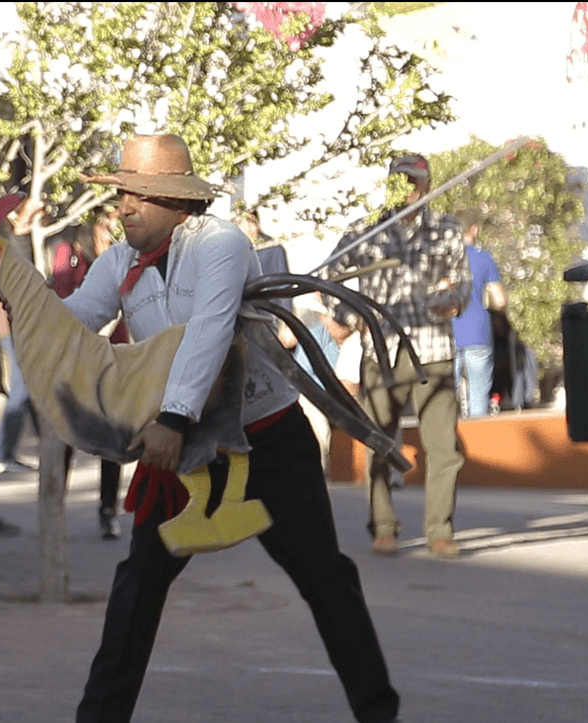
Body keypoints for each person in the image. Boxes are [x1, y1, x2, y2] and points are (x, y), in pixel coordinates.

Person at [61, 134, 400, 723]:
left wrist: (170, 417)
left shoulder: (221, 242)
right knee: (137, 586)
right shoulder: (118, 262)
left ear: (176, 201)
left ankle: (379, 713)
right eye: (121, 194)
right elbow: (76, 322)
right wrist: (12, 303)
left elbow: (210, 332)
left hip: (266, 440)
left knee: (325, 577)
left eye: (138, 195)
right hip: (184, 448)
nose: (124, 207)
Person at [325, 153, 471, 559]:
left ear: (427, 184)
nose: (408, 189)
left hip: (434, 352)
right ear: (390, 183)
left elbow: (463, 283)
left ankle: (440, 530)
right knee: (380, 443)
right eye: (400, 180)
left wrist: (454, 300)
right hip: (382, 352)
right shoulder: (366, 231)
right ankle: (383, 526)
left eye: (415, 181)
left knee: (444, 449)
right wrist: (350, 316)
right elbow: (329, 278)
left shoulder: (446, 230)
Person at [50, 214, 129, 539]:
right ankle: (54, 506)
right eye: (105, 225)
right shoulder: (68, 254)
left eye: (116, 226)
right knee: (66, 435)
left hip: (112, 356)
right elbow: (64, 298)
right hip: (76, 358)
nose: (111, 233)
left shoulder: (124, 257)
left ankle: (108, 509)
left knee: (113, 437)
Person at [0, 198, 47, 475]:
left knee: (32, 390)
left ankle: (25, 449)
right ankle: (0, 453)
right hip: (13, 327)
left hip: (25, 327)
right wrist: (23, 225)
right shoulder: (4, 248)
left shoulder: (14, 246)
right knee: (21, 391)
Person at [278, 292, 353, 479]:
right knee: (319, 432)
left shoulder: (336, 326)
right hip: (307, 386)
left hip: (324, 388)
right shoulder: (309, 320)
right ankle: (316, 473)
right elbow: (286, 339)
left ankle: (317, 472)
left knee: (322, 434)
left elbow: (340, 333)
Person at [452, 209, 508, 418]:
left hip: (448, 332)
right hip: (478, 331)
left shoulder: (443, 259)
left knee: (448, 397)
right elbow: (500, 300)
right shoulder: (483, 258)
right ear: (473, 230)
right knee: (479, 395)